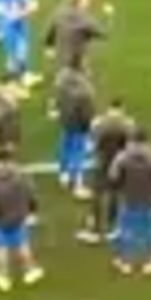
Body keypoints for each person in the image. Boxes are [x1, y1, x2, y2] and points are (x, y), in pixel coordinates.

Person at [0, 150, 44, 291]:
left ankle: (3, 277)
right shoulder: (23, 178)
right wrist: (32, 212)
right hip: (19, 220)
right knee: (23, 246)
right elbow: (32, 197)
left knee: (1, 249)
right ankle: (31, 270)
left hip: (0, 222)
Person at [77, 98, 135, 243]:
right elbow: (130, 147)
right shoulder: (128, 124)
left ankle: (95, 229)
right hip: (119, 164)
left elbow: (90, 147)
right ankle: (113, 226)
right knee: (115, 194)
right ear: (122, 108)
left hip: (102, 163)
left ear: (109, 108)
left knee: (98, 194)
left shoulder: (99, 124)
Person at [109, 128, 151, 276]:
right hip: (148, 200)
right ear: (146, 140)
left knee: (126, 230)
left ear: (132, 140)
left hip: (128, 199)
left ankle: (125, 262)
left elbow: (113, 178)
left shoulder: (122, 157)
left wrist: (121, 188)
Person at [54, 56, 97, 197]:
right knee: (78, 151)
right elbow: (87, 108)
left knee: (65, 144)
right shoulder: (85, 88)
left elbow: (57, 99)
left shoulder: (61, 78)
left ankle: (63, 174)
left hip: (65, 118)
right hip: (79, 121)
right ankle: (77, 184)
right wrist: (89, 124)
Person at [44, 0, 113, 72]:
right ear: (80, 3)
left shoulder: (59, 12)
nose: (88, 3)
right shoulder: (85, 18)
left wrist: (49, 47)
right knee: (82, 77)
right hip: (77, 63)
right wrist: (109, 16)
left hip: (60, 61)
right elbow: (105, 33)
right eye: (86, 1)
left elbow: (50, 32)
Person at [0, 73, 25, 154]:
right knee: (6, 136)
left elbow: (21, 97)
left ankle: (5, 148)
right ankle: (6, 148)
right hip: (4, 116)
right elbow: (12, 101)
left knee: (6, 135)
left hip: (3, 116)